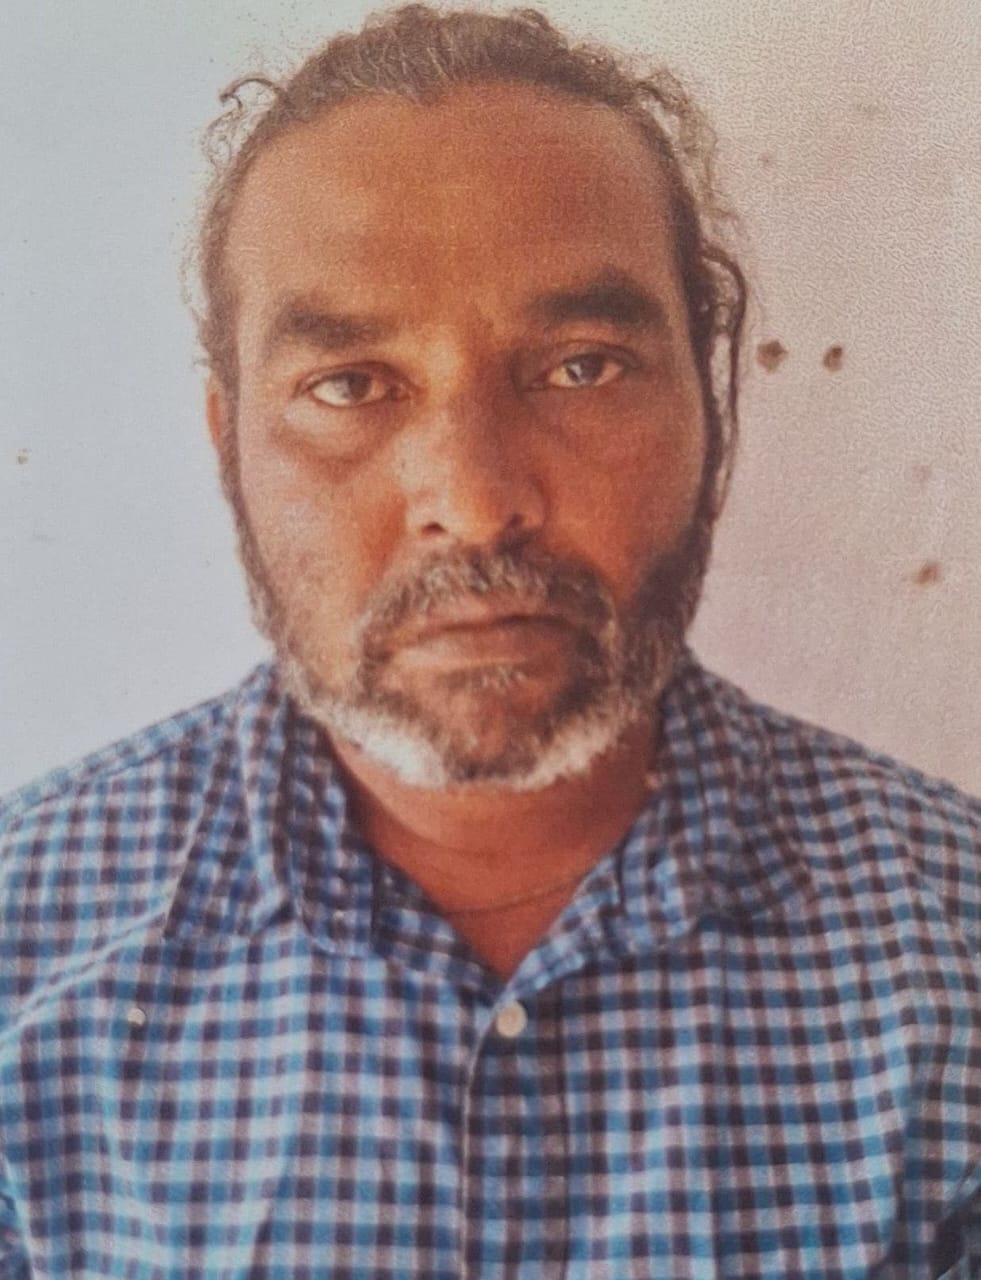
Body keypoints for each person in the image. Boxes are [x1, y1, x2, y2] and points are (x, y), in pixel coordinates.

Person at [1, 5, 977, 1276]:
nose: (473, 496)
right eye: (350, 384)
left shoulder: (954, 952)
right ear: (229, 441)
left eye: (582, 366)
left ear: (715, 401)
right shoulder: (25, 950)